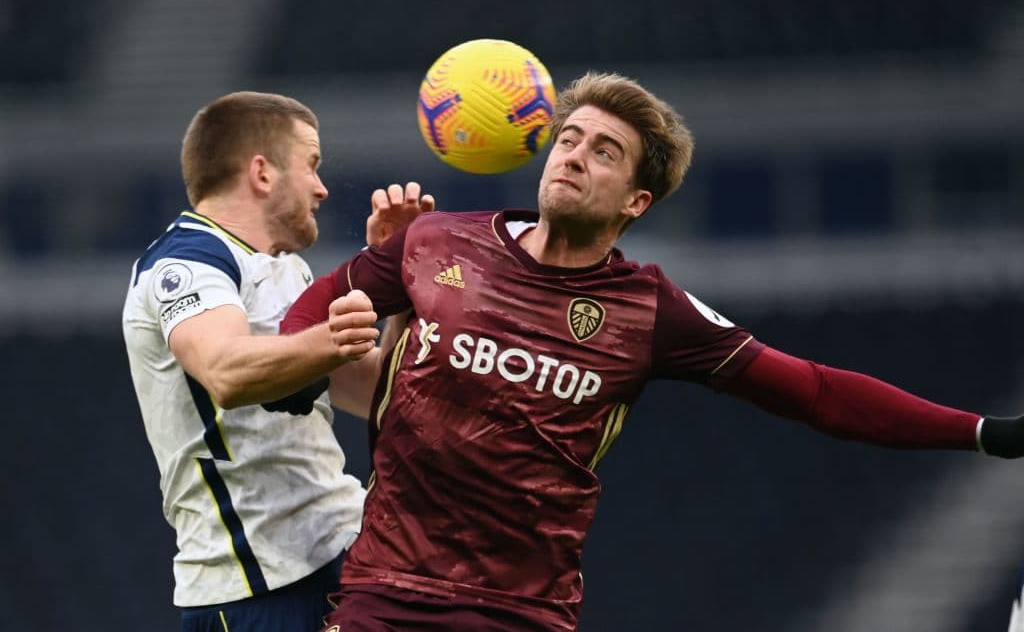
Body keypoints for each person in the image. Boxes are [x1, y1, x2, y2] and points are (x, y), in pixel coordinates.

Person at [282, 73, 1024, 631]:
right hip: (385, 592)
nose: (573, 157)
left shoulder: (652, 310)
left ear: (636, 200)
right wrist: (290, 363)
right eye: (568, 139)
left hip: (521, 611)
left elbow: (817, 392)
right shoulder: (434, 241)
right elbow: (319, 300)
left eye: (603, 152)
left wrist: (981, 432)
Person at [121, 91, 433, 631]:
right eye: (311, 164)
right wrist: (330, 337)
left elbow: (382, 393)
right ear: (262, 173)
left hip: (346, 551)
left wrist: (396, 286)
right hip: (254, 587)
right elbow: (225, 371)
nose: (322, 187)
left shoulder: (287, 272)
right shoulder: (184, 265)